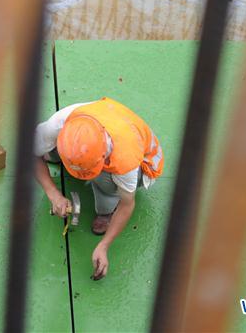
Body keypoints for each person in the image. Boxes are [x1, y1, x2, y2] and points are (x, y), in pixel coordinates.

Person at [33, 97, 164, 279]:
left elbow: (127, 204)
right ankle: (63, 156)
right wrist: (53, 193)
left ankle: (107, 210)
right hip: (97, 138)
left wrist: (104, 245)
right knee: (44, 150)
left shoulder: (124, 158)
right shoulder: (60, 123)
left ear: (103, 154)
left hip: (143, 164)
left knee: (106, 182)